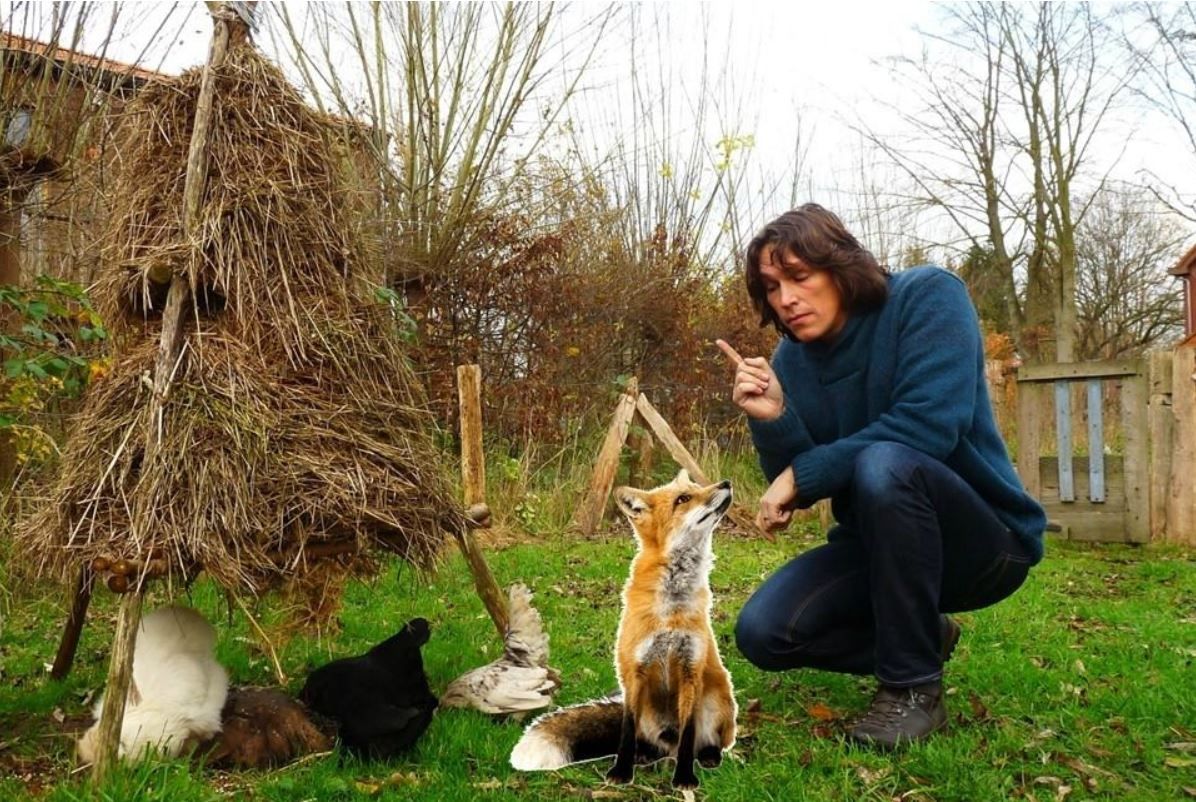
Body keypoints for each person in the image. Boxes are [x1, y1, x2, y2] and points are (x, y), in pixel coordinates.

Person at [716, 203, 1045, 750]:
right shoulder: (791, 360)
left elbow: (929, 426)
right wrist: (775, 419)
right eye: (772, 287)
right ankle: (920, 636)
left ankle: (912, 690)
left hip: (984, 543)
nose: (786, 299)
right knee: (765, 633)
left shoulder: (927, 296)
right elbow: (795, 480)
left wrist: (802, 474)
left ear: (841, 265)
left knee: (884, 460)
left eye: (799, 276)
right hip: (878, 548)